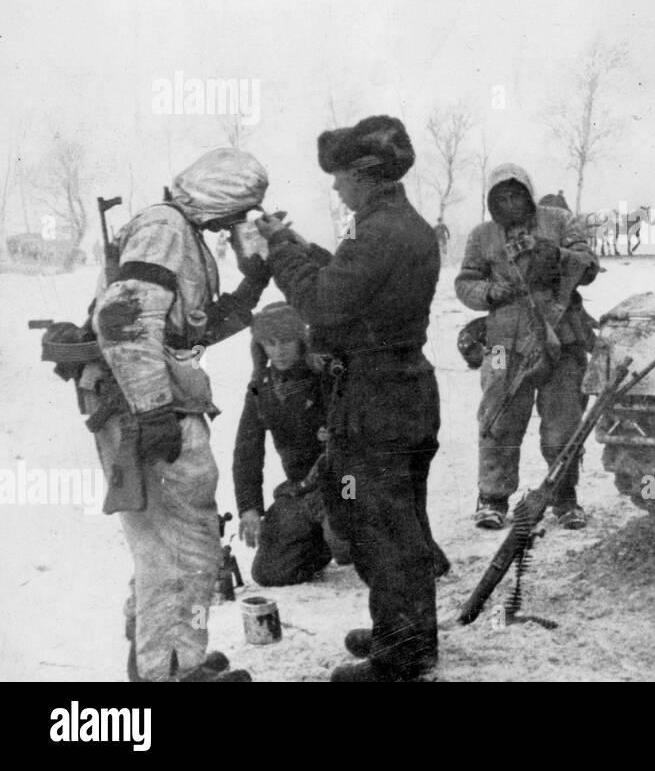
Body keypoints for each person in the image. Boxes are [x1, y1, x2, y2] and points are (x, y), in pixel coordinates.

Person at [255, 115, 446, 683]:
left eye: (340, 178)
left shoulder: (379, 233)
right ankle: (402, 629)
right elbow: (348, 280)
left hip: (377, 400)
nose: (335, 188)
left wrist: (278, 250)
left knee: (383, 528)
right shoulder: (396, 227)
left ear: (365, 176)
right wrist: (293, 244)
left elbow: (324, 304)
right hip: (401, 390)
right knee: (398, 522)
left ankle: (403, 654)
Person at [86, 147, 272, 682]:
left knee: (173, 545)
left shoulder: (177, 232)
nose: (236, 224)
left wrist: (250, 286)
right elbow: (123, 321)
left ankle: (171, 660)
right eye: (238, 211)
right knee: (180, 550)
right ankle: (169, 671)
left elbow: (187, 329)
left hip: (155, 401)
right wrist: (155, 412)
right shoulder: (166, 229)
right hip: (148, 408)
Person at [456, 164, 599, 531]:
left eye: (515, 193)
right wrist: (489, 292)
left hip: (560, 335)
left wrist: (553, 255)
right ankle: (492, 499)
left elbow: (588, 265)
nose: (509, 201)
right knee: (499, 418)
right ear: (491, 202)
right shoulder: (482, 235)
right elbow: (466, 282)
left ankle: (565, 498)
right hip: (503, 341)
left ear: (528, 192)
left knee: (563, 423)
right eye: (500, 196)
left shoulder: (560, 221)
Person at [233, 302, 351, 586]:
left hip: (344, 480)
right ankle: (318, 541)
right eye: (270, 343)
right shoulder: (260, 389)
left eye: (286, 340)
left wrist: (338, 432)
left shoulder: (327, 374)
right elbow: (247, 452)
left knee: (347, 546)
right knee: (269, 573)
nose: (279, 350)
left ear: (301, 340)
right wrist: (249, 508)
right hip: (299, 490)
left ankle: (345, 535)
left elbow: (363, 420)